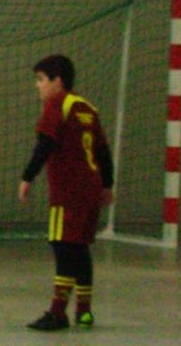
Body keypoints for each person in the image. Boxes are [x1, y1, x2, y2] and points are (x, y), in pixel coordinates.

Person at [19, 54, 114, 331]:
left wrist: (27, 176)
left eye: (40, 80)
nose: (37, 86)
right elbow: (103, 152)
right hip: (91, 188)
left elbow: (45, 143)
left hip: (68, 191)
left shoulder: (56, 104)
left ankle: (58, 311)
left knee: (62, 246)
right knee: (79, 247)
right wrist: (107, 184)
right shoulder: (87, 107)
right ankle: (84, 311)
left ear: (57, 81)